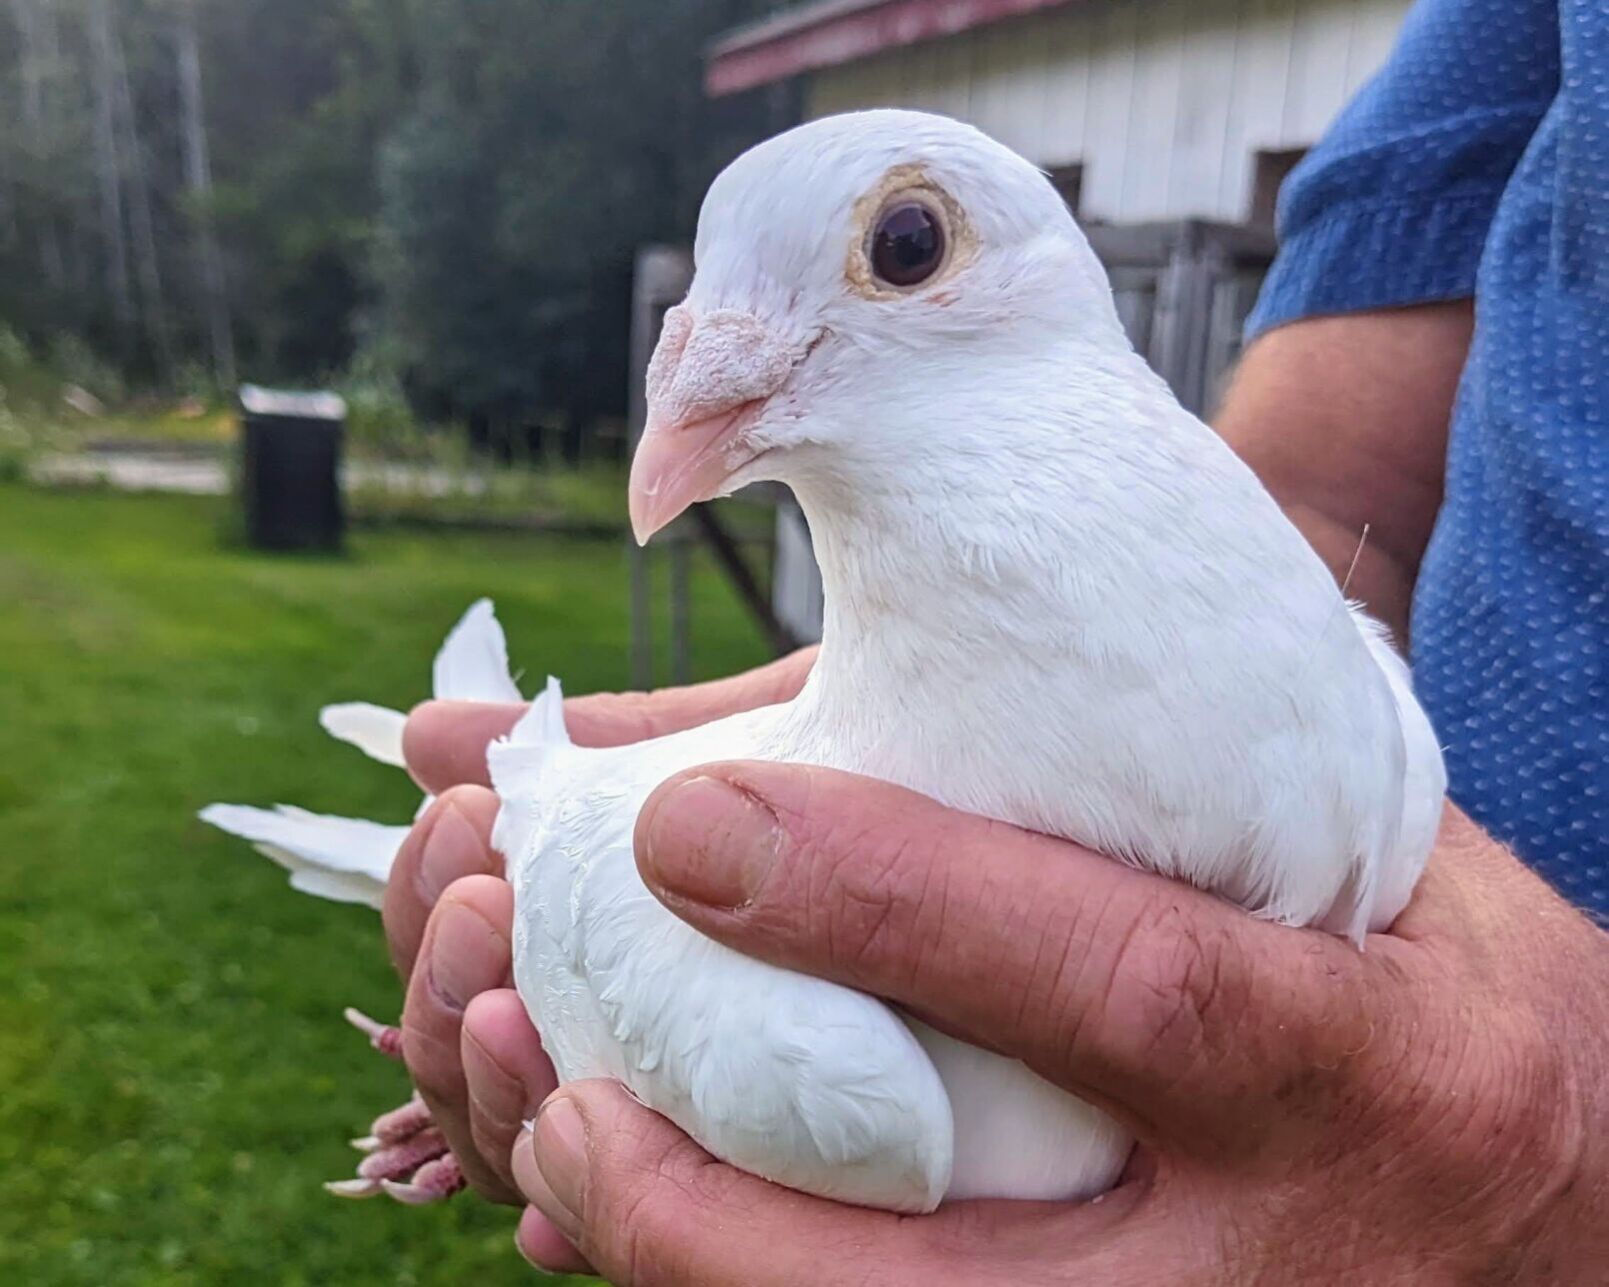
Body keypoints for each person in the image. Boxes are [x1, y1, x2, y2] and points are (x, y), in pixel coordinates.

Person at [379, 0, 1608, 1279]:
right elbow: (1332, 494)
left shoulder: (1369, 726)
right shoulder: (834, 1055)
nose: (703, 367)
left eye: (903, 246)